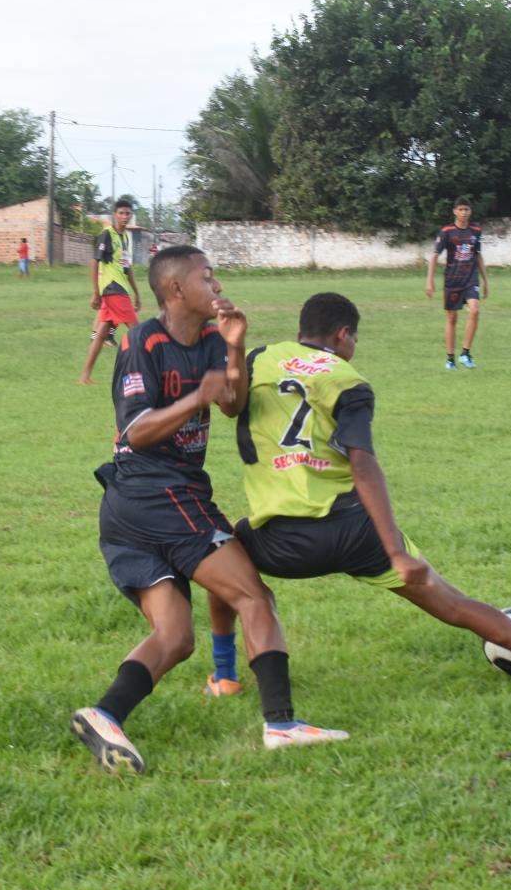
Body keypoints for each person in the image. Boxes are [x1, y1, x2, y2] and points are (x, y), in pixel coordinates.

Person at [201, 291, 511, 705]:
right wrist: (396, 551)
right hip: (357, 530)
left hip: (283, 540)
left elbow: (230, 406)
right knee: (455, 604)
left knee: (224, 561)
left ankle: (225, 674)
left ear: (301, 329)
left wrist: (234, 347)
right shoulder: (348, 381)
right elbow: (363, 465)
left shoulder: (260, 357)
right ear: (343, 335)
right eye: (354, 340)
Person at [71, 246, 347, 774]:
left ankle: (105, 715)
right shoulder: (142, 342)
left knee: (174, 637)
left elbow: (233, 403)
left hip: (136, 506)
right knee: (253, 594)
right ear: (176, 290)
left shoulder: (214, 339)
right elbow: (136, 431)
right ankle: (283, 723)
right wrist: (196, 398)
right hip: (157, 492)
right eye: (207, 277)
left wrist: (237, 350)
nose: (217, 285)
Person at [78, 197, 143, 384]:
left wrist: (137, 293)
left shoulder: (125, 238)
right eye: (121, 213)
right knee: (138, 332)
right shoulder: (107, 234)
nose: (124, 216)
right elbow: (94, 262)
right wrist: (95, 292)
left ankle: (84, 377)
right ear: (115, 215)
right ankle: (146, 374)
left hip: (120, 288)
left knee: (100, 335)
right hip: (112, 288)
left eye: (127, 213)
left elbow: (127, 267)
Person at [425, 197, 488, 369]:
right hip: (452, 280)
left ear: (470, 211)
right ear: (454, 211)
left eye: (466, 209)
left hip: (471, 279)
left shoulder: (475, 230)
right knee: (452, 318)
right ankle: (450, 358)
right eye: (460, 209)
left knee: (474, 310)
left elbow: (478, 255)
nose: (464, 212)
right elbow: (434, 256)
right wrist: (429, 281)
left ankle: (465, 354)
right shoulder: (446, 232)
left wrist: (485, 281)